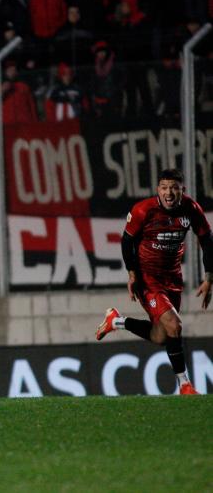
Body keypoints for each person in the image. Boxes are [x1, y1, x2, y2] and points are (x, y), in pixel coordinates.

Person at [96, 169, 212, 395]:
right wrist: (132, 273)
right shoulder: (143, 210)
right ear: (157, 189)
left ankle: (116, 321)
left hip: (173, 278)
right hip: (148, 278)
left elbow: (207, 239)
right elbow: (126, 241)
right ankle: (185, 385)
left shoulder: (191, 208)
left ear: (182, 190)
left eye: (174, 188)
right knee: (174, 325)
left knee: (161, 336)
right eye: (164, 187)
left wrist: (209, 277)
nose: (169, 193)